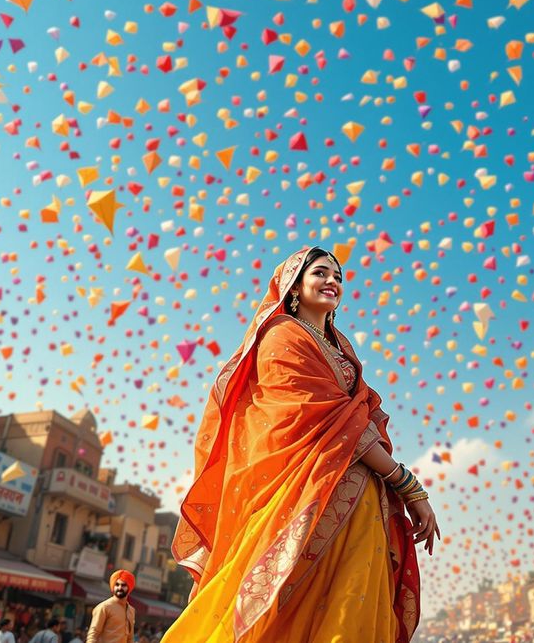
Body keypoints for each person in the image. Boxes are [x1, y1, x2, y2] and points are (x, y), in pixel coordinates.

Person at [166, 247, 435, 642]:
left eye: (338, 276)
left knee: (347, 615)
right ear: (294, 286)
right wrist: (408, 485)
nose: (332, 281)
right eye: (321, 273)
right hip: (304, 497)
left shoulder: (340, 348)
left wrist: (398, 484)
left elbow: (354, 419)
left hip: (356, 496)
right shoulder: (282, 337)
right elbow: (327, 419)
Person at [87, 571, 135, 643]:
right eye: (117, 584)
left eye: (123, 585)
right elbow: (93, 634)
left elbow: (130, 638)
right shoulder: (104, 607)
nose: (119, 588)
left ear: (129, 587)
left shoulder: (131, 610)